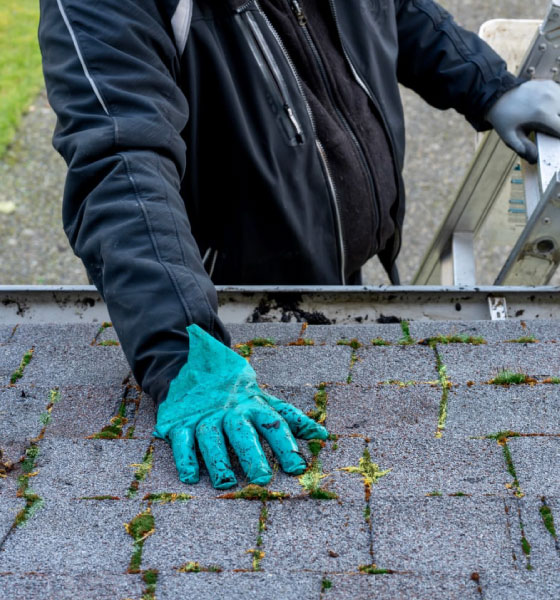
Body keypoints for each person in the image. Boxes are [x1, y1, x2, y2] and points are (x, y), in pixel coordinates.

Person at [39, 0, 560, 489]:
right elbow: (120, 157)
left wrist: (487, 84)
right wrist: (184, 347)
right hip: (222, 309)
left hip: (335, 269)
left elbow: (387, 9)